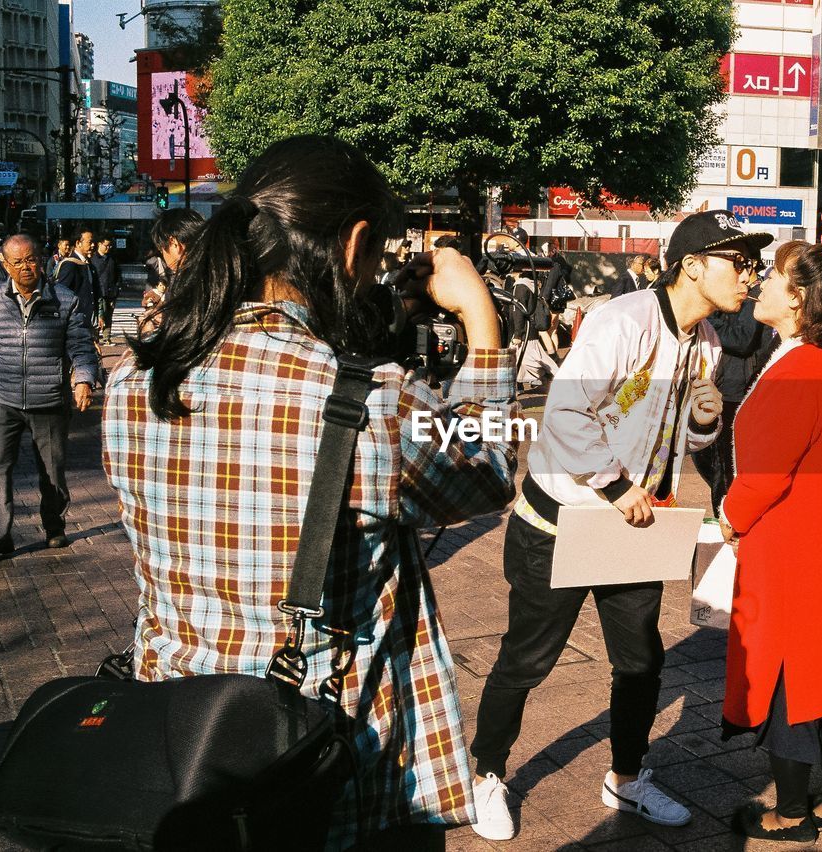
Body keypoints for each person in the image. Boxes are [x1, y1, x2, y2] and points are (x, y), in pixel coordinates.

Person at [102, 135, 519, 849]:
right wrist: (483, 328)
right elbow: (485, 470)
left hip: (182, 751)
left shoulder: (133, 384)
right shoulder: (367, 406)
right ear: (355, 242)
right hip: (325, 762)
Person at [469, 209, 768, 842]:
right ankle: (487, 773)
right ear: (693, 266)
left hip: (637, 525)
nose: (749, 274)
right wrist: (617, 484)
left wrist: (705, 420)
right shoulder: (622, 321)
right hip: (562, 518)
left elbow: (687, 429)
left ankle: (627, 778)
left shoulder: (707, 342)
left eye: (750, 264)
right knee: (527, 660)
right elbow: (566, 411)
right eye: (737, 262)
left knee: (640, 662)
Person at [718, 242, 822, 843]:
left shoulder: (802, 365)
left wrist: (729, 516)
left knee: (787, 675)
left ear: (798, 297)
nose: (760, 284)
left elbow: (765, 473)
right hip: (820, 539)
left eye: (773, 277)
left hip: (791, 545)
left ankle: (793, 813)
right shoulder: (819, 359)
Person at [0, 234, 99, 560]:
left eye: (32, 259)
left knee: (52, 470)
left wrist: (83, 379)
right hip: (5, 398)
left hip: (50, 399)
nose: (27, 267)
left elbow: (81, 346)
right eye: (18, 262)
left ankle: (54, 526)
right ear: (5, 264)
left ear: (41, 259)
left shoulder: (65, 300)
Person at [691, 247, 783, 514]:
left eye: (743, 267)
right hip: (725, 386)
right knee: (712, 461)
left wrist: (706, 318)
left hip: (735, 390)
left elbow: (741, 339)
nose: (740, 277)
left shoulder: (753, 297)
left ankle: (727, 516)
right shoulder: (732, 300)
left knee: (725, 467)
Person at [139, 208, 204, 330]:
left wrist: (147, 334)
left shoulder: (190, 280)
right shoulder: (215, 268)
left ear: (173, 242)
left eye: (162, 249)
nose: (163, 254)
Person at [56, 229, 101, 337]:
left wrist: (99, 315)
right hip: (74, 321)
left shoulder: (89, 264)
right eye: (89, 242)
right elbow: (61, 293)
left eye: (93, 242)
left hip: (87, 320)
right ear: (78, 243)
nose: (93, 245)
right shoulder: (70, 264)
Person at [90, 236, 121, 344]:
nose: (108, 248)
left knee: (108, 316)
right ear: (99, 244)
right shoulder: (92, 259)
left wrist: (116, 289)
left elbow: (118, 275)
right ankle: (95, 338)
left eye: (110, 245)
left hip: (110, 292)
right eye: (106, 245)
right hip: (97, 292)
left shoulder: (112, 259)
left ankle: (106, 338)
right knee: (98, 316)